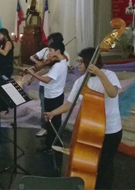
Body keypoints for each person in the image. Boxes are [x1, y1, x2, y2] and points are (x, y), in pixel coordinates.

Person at [45, 47, 122, 189]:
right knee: (90, 164)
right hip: (90, 130)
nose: (78, 64)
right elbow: (70, 103)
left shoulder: (109, 75)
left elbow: (112, 93)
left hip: (111, 129)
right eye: (78, 61)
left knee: (105, 165)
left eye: (81, 61)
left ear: (91, 62)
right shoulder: (80, 81)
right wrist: (53, 112)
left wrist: (99, 73)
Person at [26, 41, 68, 153]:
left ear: (58, 51)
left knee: (53, 122)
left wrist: (33, 74)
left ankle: (53, 145)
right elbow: (47, 70)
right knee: (51, 122)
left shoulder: (59, 65)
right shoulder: (61, 62)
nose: (48, 53)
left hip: (54, 96)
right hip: (53, 94)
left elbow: (47, 80)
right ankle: (50, 144)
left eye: (50, 50)